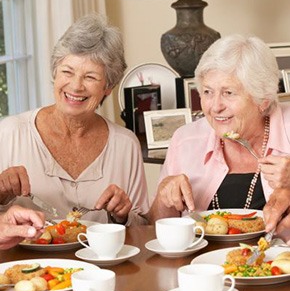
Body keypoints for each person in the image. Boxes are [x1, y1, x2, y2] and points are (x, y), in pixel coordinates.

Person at [0, 13, 149, 226]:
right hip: (27, 259)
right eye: (67, 72)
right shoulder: (11, 133)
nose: (76, 86)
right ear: (55, 72)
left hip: (99, 260)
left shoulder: (125, 145)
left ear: (107, 87)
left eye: (90, 77)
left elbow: (142, 229)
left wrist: (122, 216)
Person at [147, 34, 290, 222]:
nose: (215, 107)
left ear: (262, 100)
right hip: (200, 252)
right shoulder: (185, 140)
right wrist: (165, 197)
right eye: (207, 92)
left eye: (228, 93)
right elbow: (156, 228)